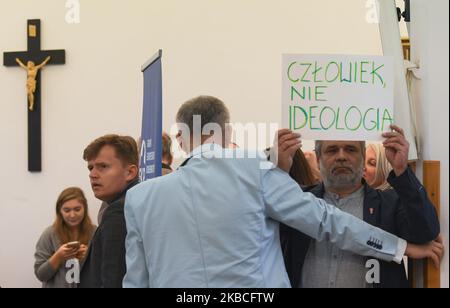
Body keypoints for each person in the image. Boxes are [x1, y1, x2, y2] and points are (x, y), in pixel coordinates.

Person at [123, 95, 443, 288]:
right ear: (229, 131)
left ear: (179, 137)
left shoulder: (140, 198)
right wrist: (399, 248)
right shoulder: (258, 171)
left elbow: (136, 281)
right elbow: (328, 221)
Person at [280, 127, 441, 288]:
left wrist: (401, 170)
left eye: (350, 149)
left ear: (363, 156)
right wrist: (279, 171)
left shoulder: (388, 205)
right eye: (332, 150)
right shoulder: (298, 203)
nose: (341, 156)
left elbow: (426, 232)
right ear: (318, 158)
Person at [79, 135, 139, 288]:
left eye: (103, 166)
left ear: (130, 172)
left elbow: (113, 279)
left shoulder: (118, 212)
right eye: (90, 167)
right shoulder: (134, 203)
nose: (92, 174)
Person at [34, 187, 96, 288]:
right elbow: (41, 275)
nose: (72, 215)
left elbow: (105, 270)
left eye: (77, 209)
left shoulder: (94, 232)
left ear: (85, 208)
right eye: (67, 210)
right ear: (60, 211)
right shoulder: (49, 234)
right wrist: (58, 256)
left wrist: (90, 256)